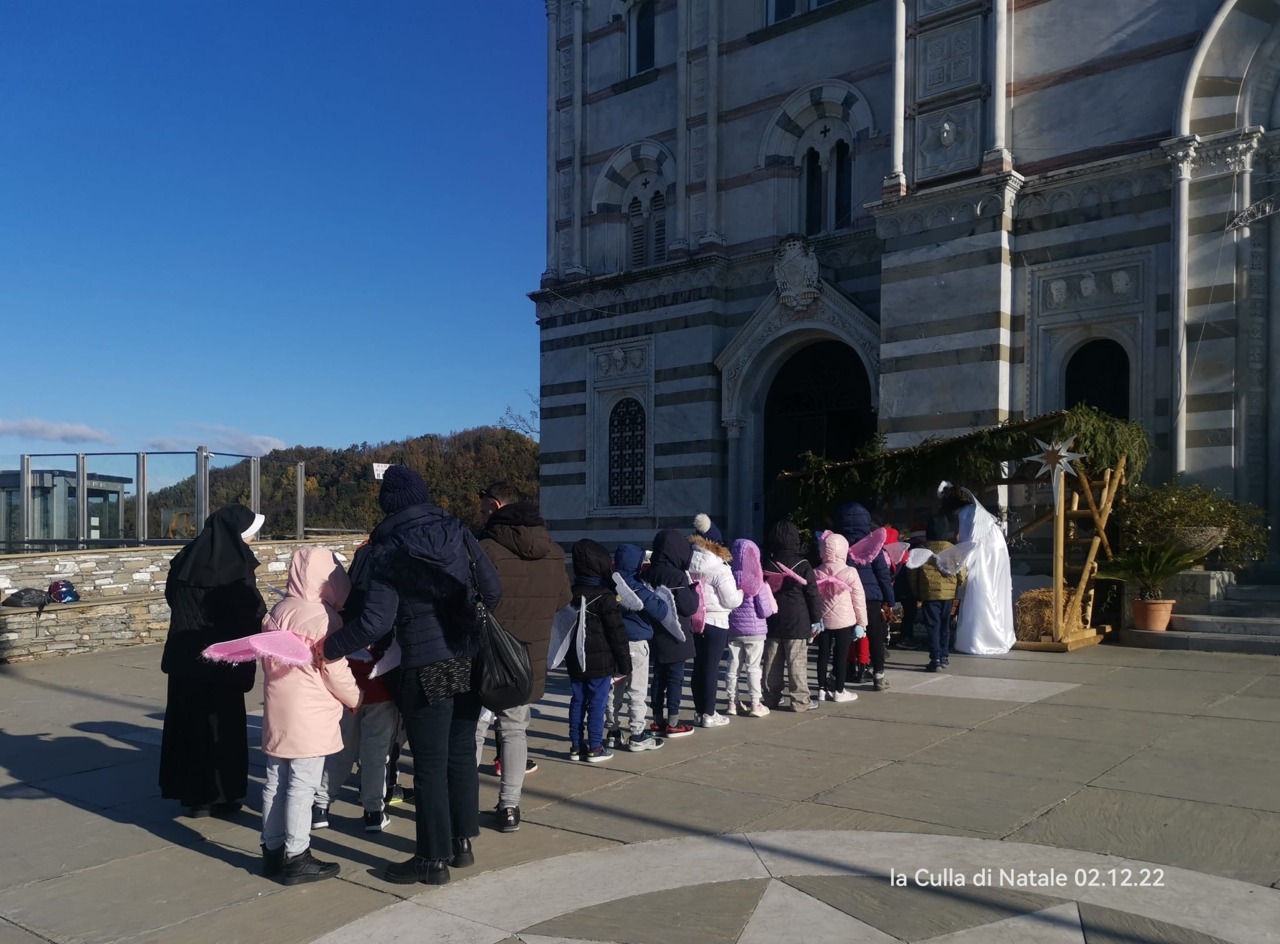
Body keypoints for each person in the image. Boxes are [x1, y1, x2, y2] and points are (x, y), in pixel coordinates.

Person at [323, 465, 501, 887]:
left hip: (426, 664)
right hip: (470, 656)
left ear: (387, 506)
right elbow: (493, 591)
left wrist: (327, 648)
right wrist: (464, 622)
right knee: (461, 750)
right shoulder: (458, 530)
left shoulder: (386, 547)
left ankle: (431, 859)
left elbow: (376, 621)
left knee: (430, 764)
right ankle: (460, 842)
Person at [259, 548, 361, 884]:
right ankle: (297, 855)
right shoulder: (324, 618)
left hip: (278, 708)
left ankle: (272, 849)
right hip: (310, 711)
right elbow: (334, 668)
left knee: (276, 781)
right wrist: (355, 697)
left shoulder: (277, 610)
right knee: (303, 785)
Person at [473, 481, 570, 833]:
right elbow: (563, 600)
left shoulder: (485, 548)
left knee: (475, 727)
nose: (481, 514)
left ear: (497, 507)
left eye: (485, 508)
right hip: (529, 656)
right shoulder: (554, 551)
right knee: (515, 729)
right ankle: (510, 807)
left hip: (488, 652)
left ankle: (464, 803)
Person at [159, 503, 267, 818]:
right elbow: (251, 612)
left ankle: (193, 796)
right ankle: (221, 795)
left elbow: (172, 598)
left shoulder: (185, 559)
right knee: (221, 732)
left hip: (184, 659)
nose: (252, 538)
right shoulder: (235, 567)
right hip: (222, 662)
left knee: (189, 727)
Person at [313, 635, 399, 833]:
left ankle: (320, 806)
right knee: (375, 756)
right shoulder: (384, 619)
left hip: (347, 686)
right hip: (381, 688)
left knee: (340, 751)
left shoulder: (342, 621)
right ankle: (373, 811)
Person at [563, 540, 631, 762]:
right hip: (601, 661)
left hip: (575, 657)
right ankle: (595, 746)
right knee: (597, 702)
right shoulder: (605, 596)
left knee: (577, 700)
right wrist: (625, 664)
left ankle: (576, 746)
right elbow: (616, 633)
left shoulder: (570, 593)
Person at [608, 543, 669, 750]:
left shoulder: (609, 584)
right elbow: (661, 610)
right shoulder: (635, 586)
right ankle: (637, 734)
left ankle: (612, 731)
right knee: (637, 689)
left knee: (613, 689)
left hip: (613, 643)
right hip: (636, 644)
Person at [761, 520, 823, 711]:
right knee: (797, 663)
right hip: (798, 619)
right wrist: (816, 618)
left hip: (773, 619)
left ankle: (770, 698)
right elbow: (812, 594)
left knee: (771, 662)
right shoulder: (803, 564)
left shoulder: (767, 563)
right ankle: (800, 701)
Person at [688, 515, 743, 728]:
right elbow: (730, 600)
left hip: (695, 620)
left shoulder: (688, 563)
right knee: (711, 668)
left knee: (698, 667)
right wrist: (741, 593)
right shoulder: (720, 568)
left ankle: (699, 711)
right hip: (716, 622)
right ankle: (709, 714)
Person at [833, 501, 895, 691]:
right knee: (875, 636)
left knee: (843, 636)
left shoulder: (838, 545)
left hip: (846, 595)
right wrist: (889, 599)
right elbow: (883, 575)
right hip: (871, 596)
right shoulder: (872, 545)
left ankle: (837, 674)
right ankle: (878, 675)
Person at [644, 529, 698, 737]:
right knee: (675, 678)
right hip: (676, 635)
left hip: (655, 634)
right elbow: (688, 607)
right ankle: (673, 722)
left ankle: (657, 720)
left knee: (658, 678)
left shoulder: (647, 572)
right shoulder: (677, 576)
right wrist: (693, 591)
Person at [950, 486, 1015, 654]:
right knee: (996, 590)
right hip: (996, 553)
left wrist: (961, 561)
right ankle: (1002, 632)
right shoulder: (981, 512)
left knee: (979, 590)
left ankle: (980, 638)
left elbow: (967, 541)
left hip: (982, 553)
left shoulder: (966, 512)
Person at [725, 538, 776, 718]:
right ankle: (755, 703)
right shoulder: (756, 578)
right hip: (755, 630)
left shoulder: (728, 576)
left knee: (733, 666)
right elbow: (764, 609)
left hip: (734, 629)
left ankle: (732, 702)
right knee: (753, 667)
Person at [814, 532, 865, 703]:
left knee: (823, 654)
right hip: (845, 620)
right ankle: (839, 690)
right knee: (841, 655)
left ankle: (821, 689)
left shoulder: (817, 572)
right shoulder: (850, 572)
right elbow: (858, 599)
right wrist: (861, 623)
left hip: (823, 620)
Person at [910, 518, 965, 671]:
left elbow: (913, 575)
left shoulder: (922, 550)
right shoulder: (953, 550)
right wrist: (955, 587)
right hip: (948, 595)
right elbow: (961, 573)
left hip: (929, 594)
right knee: (945, 626)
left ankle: (935, 659)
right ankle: (945, 656)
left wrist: (917, 593)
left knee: (933, 626)